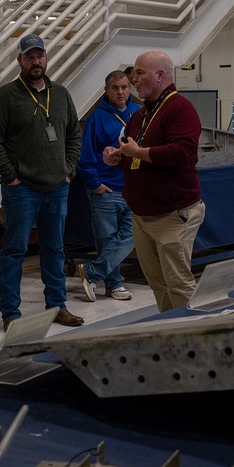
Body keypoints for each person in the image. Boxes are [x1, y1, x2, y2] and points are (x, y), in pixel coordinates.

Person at [0, 33, 83, 331]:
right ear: (20, 61)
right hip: (22, 189)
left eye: (40, 55)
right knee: (14, 251)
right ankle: (10, 313)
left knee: (54, 249)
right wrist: (9, 175)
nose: (35, 61)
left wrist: (69, 170)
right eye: (29, 56)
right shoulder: (6, 96)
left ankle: (57, 306)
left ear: (46, 58)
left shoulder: (61, 94)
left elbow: (73, 135)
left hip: (58, 186)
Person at [104, 50, 203, 312]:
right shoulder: (140, 115)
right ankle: (172, 334)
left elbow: (183, 153)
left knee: (179, 285)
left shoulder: (180, 109)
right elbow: (137, 154)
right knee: (158, 285)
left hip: (172, 215)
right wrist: (120, 157)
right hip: (143, 217)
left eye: (139, 73)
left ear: (160, 76)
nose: (133, 80)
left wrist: (137, 153)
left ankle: (197, 338)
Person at [74, 70, 141, 303]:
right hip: (106, 190)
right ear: (106, 90)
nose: (121, 92)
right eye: (115, 88)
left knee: (132, 234)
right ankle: (114, 284)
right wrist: (95, 184)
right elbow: (85, 157)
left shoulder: (139, 113)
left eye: (124, 87)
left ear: (130, 88)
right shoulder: (96, 119)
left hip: (132, 188)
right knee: (106, 239)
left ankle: (92, 273)